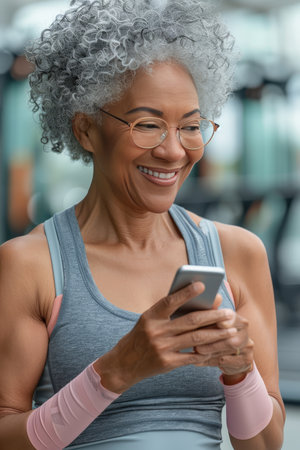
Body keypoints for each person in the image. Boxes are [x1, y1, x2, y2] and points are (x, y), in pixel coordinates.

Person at [0, 0, 285, 449]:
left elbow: (265, 445)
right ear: (86, 130)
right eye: (149, 125)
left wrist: (240, 371)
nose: (174, 152)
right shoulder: (30, 265)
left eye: (190, 127)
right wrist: (115, 371)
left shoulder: (237, 253)